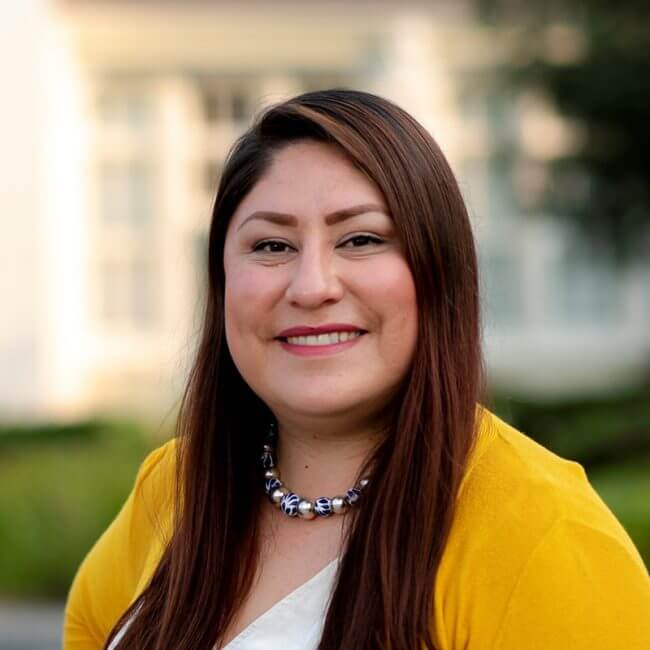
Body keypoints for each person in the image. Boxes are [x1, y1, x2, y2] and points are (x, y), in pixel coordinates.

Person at [63, 89, 650, 649]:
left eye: (361, 239)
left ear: (437, 271)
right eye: (271, 246)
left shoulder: (545, 534)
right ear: (221, 282)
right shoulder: (175, 490)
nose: (312, 286)